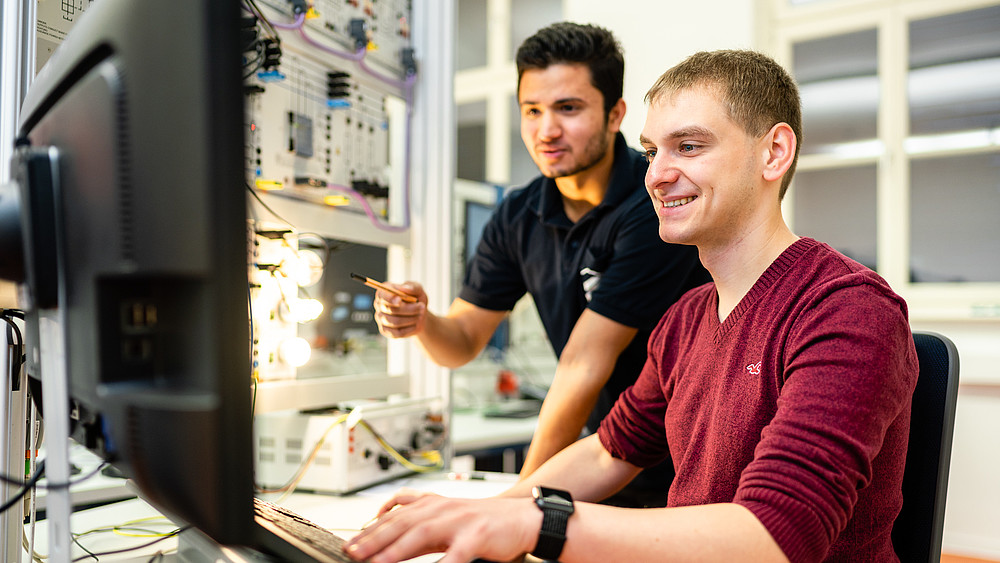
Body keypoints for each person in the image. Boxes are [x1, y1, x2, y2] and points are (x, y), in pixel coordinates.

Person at [345, 49, 919, 563]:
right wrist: (494, 508)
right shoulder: (687, 319)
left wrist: (533, 523)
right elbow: (606, 452)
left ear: (774, 152)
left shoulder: (847, 310)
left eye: (689, 146)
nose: (658, 175)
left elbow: (777, 535)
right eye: (651, 152)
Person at [372, 22, 708, 503]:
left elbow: (583, 364)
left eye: (568, 109)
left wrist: (511, 505)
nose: (545, 131)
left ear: (615, 115)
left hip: (684, 460)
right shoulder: (518, 213)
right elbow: (463, 341)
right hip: (600, 454)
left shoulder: (654, 202)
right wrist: (422, 321)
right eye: (532, 110)